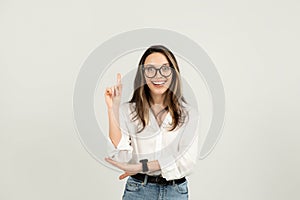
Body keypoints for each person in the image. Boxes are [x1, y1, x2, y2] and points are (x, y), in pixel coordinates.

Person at [104, 45, 200, 200]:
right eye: (150, 69)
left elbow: (186, 161)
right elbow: (120, 157)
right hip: (138, 191)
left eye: (165, 69)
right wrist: (112, 108)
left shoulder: (189, 115)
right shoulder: (127, 111)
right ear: (143, 75)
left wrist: (142, 166)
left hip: (175, 192)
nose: (158, 75)